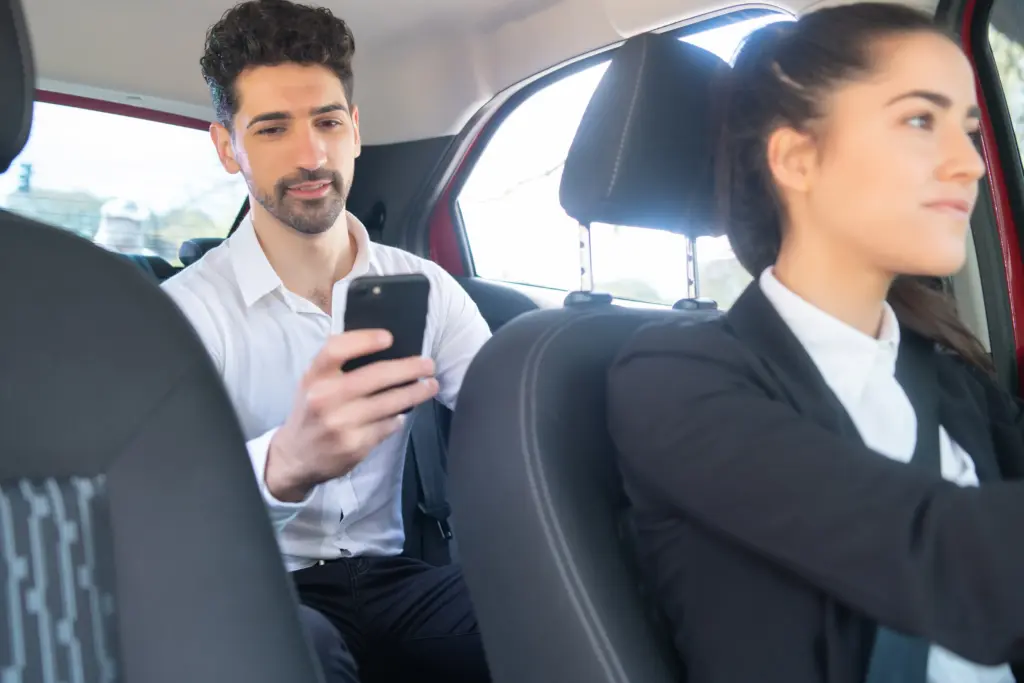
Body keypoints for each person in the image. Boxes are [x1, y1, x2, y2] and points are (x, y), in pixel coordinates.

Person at [608, 4, 1024, 683]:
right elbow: (940, 554)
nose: (970, 163)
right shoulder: (672, 382)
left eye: (970, 129)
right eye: (921, 119)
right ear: (797, 158)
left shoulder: (954, 379)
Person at [161, 1, 492, 681]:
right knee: (300, 644)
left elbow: (509, 431)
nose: (311, 154)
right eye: (274, 128)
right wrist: (285, 464)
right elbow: (165, 523)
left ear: (355, 131)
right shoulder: (183, 315)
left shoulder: (428, 290)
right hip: (258, 584)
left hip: (396, 578)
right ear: (229, 148)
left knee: (529, 609)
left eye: (327, 121)